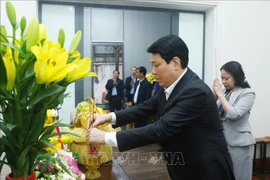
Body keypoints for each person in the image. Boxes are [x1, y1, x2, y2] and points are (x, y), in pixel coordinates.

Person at [87, 35, 235, 180]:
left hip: (206, 169)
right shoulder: (171, 87)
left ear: (176, 63)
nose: (153, 71)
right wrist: (108, 117)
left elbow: (161, 129)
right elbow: (144, 108)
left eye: (156, 65)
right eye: (152, 65)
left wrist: (105, 137)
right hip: (183, 165)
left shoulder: (196, 91)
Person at [212, 61, 255, 180]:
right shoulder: (225, 92)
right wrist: (215, 94)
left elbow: (233, 114)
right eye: (222, 78)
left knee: (240, 176)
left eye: (227, 78)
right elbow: (211, 111)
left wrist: (220, 95)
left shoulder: (247, 93)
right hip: (222, 141)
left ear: (237, 76)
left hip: (239, 143)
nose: (224, 82)